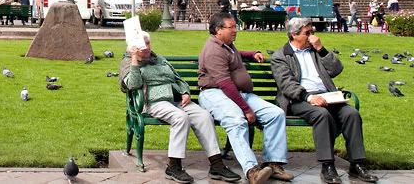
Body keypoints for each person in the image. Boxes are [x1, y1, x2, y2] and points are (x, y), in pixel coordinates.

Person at [120, 31, 240, 183]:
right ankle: (174, 167)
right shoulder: (128, 62)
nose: (146, 48)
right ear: (133, 47)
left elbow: (178, 79)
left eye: (148, 43)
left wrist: (185, 92)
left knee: (203, 116)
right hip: (154, 102)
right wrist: (135, 60)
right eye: (142, 45)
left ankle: (216, 164)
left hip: (176, 100)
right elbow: (133, 85)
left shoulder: (160, 60)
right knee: (180, 117)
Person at [270, 18, 378, 183]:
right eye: (307, 33)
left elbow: (337, 69)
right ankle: (327, 166)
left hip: (327, 95)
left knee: (351, 114)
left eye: (312, 32)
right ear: (294, 35)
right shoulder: (281, 56)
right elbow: (287, 85)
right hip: (299, 99)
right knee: (322, 115)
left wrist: (321, 49)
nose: (312, 36)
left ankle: (357, 164)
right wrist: (310, 97)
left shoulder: (315, 50)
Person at [197, 12, 291, 184]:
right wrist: (246, 109)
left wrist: (252, 53)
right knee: (236, 120)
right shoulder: (212, 50)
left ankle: (273, 163)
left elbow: (235, 54)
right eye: (231, 27)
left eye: (235, 26)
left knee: (275, 114)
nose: (235, 30)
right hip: (214, 93)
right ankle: (252, 171)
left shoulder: (226, 45)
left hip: (237, 93)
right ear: (218, 30)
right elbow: (225, 84)